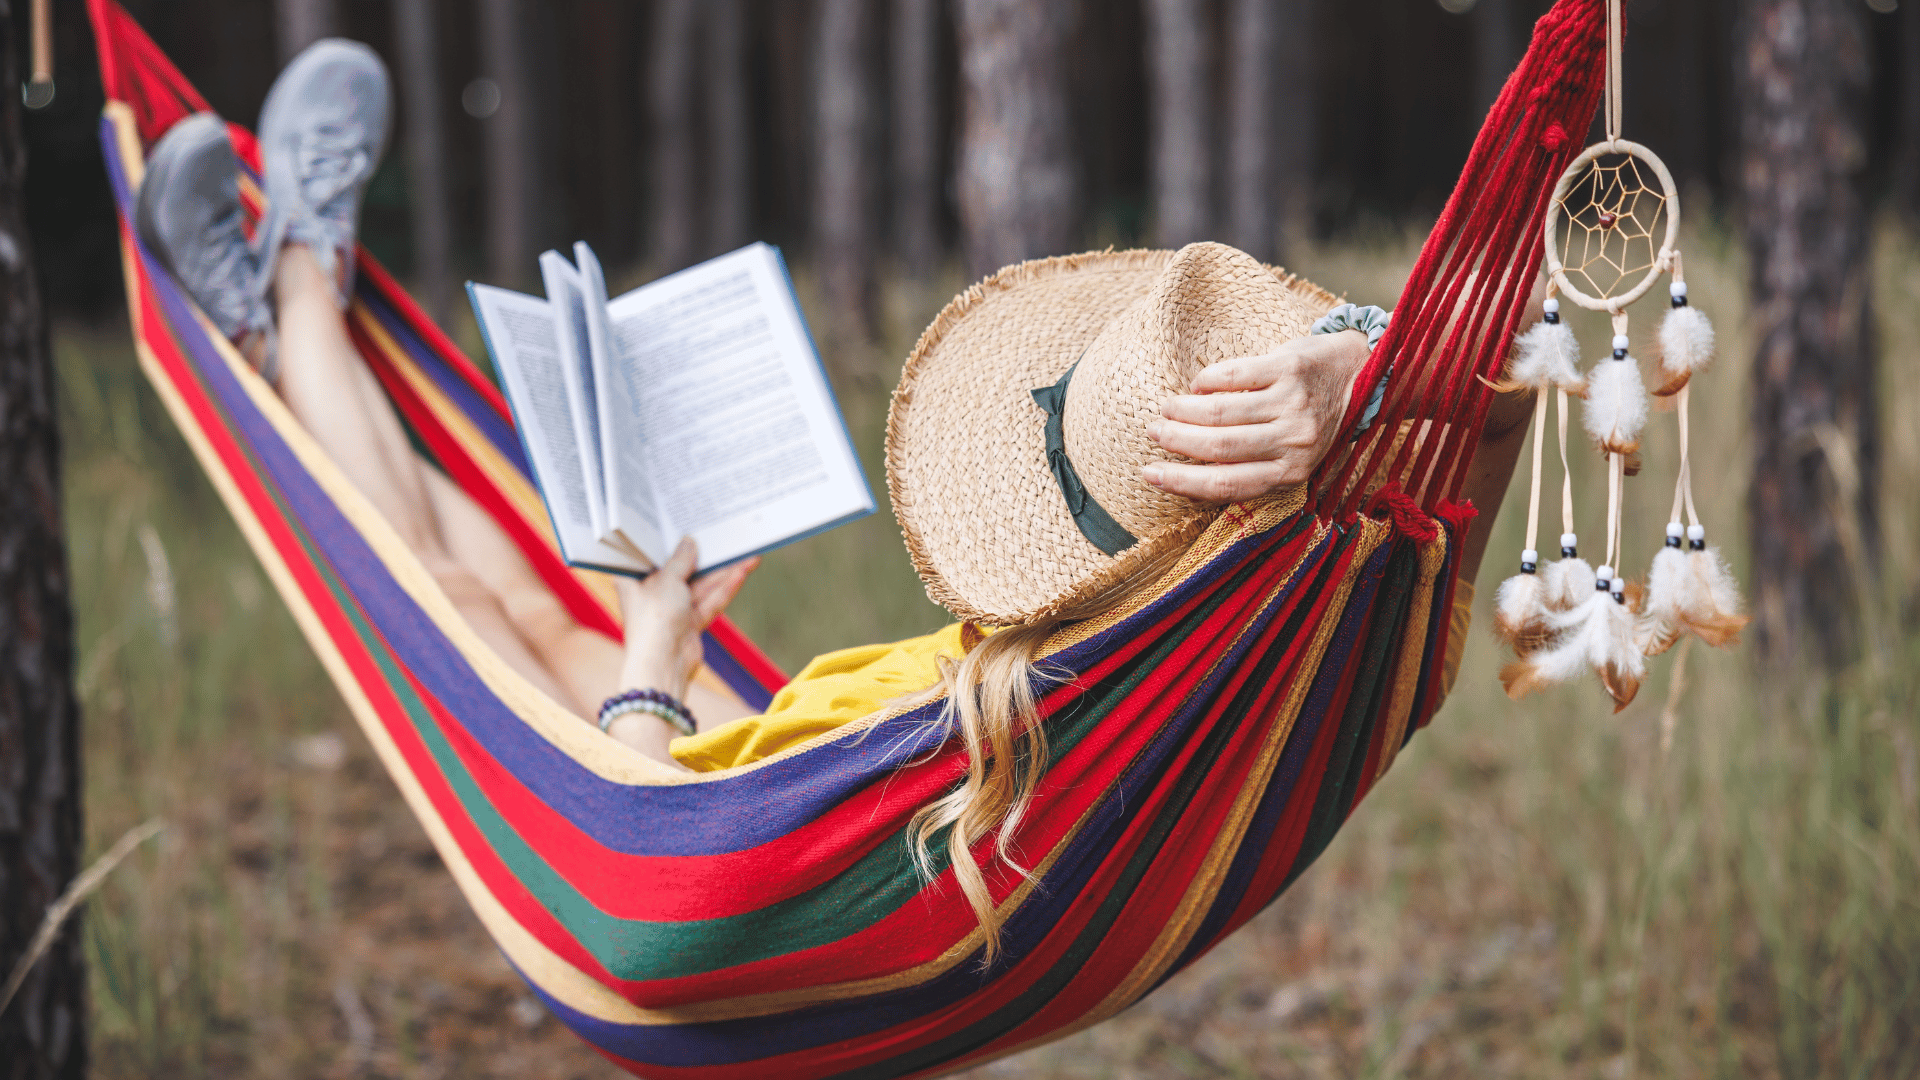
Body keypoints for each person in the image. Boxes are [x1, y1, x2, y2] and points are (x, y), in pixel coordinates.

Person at [137, 40, 1532, 946]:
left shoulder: (1059, 725)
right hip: (799, 767)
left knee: (452, 596)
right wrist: (1351, 374)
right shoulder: (1308, 653)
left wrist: (649, 669)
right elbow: (1525, 378)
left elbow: (649, 915)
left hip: (704, 807)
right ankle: (294, 310)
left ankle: (301, 299)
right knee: (502, 588)